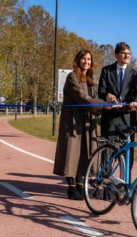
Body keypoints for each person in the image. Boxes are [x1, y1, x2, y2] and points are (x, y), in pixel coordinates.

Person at [53, 49, 106, 200]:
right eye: (83, 59)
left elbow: (93, 97)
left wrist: (107, 100)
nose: (86, 62)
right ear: (78, 60)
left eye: (89, 59)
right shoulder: (72, 76)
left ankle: (80, 185)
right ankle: (71, 187)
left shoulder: (89, 79)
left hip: (87, 121)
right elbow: (81, 97)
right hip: (72, 121)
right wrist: (103, 104)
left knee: (84, 152)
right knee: (71, 152)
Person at [98, 42, 137, 178]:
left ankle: (125, 185)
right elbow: (101, 90)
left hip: (128, 119)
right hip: (110, 118)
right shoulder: (106, 70)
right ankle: (105, 185)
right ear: (116, 55)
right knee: (107, 152)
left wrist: (136, 102)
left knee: (127, 153)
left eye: (129, 53)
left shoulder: (134, 74)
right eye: (124, 53)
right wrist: (107, 95)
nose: (127, 55)